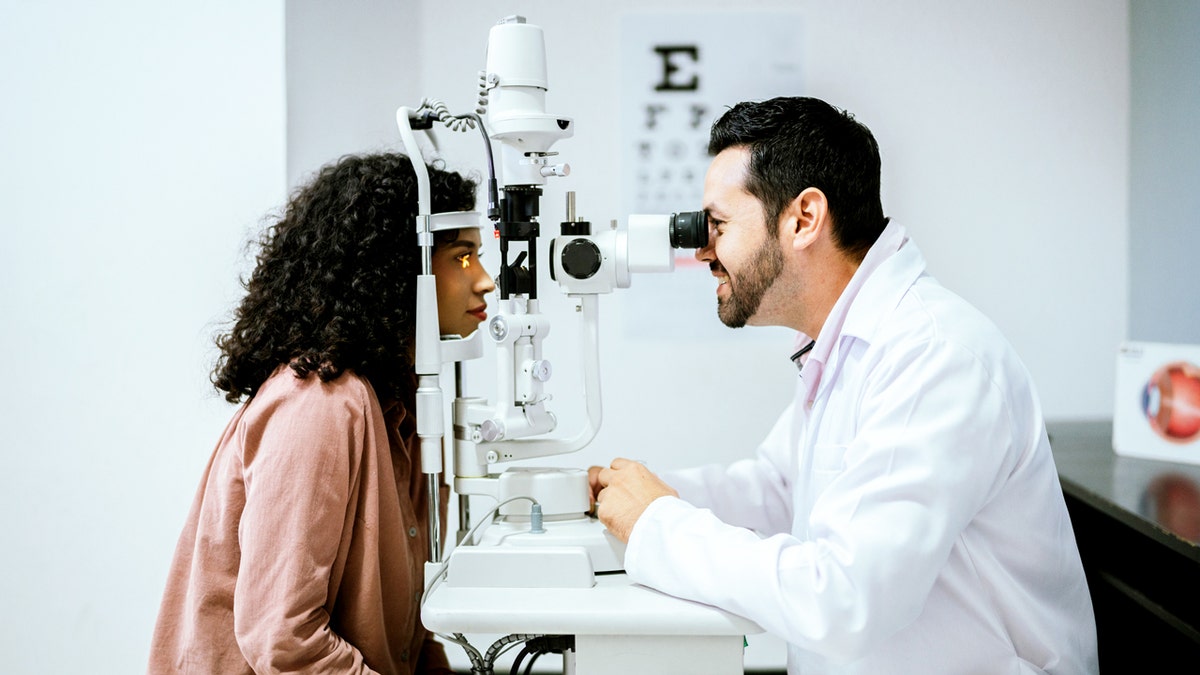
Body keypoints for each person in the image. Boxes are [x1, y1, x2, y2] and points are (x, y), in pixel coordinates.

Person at [592, 97, 1098, 674]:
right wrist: (640, 497)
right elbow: (780, 490)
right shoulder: (848, 344)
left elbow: (845, 601)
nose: (702, 250)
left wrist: (658, 523)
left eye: (718, 225)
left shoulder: (933, 356)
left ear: (804, 218)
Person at [148, 152, 494, 674]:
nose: (486, 280)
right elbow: (284, 639)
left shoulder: (397, 408)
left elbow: (401, 638)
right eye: (463, 257)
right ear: (401, 266)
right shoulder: (322, 403)